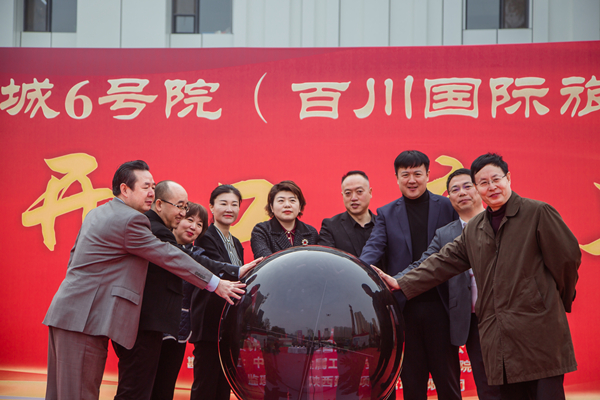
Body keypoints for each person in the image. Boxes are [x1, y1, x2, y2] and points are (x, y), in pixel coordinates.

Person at [376, 153, 580, 400]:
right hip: (500, 338)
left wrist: (552, 302)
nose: (491, 187)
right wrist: (400, 282)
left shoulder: (537, 213)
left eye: (496, 179)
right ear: (478, 187)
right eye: (483, 182)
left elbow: (567, 259)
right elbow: (442, 261)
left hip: (539, 332)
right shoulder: (475, 228)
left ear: (508, 178)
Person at [43, 161, 246, 400]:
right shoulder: (131, 220)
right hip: (85, 319)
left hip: (70, 312)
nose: (152, 192)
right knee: (79, 394)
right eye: (146, 187)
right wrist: (216, 283)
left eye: (153, 186)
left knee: (61, 394)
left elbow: (74, 258)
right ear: (125, 189)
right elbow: (169, 256)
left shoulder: (98, 212)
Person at [360, 150, 460, 400]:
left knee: (448, 381)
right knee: (413, 384)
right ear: (397, 178)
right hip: (405, 310)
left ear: (428, 175)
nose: (412, 180)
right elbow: (374, 247)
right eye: (405, 175)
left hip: (441, 307)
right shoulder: (386, 213)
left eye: (417, 173)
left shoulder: (447, 206)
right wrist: (357, 268)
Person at [397, 168, 501, 400]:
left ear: (479, 189)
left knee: (515, 382)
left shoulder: (500, 221)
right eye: (454, 189)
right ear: (449, 198)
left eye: (467, 186)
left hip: (505, 314)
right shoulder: (445, 234)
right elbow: (426, 264)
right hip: (471, 318)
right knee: (486, 385)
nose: (461, 193)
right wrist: (396, 281)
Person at [189, 185, 246, 400]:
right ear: (211, 207)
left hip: (228, 324)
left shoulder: (237, 243)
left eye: (234, 204)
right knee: (205, 385)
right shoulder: (205, 236)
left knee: (223, 386)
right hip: (209, 322)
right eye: (223, 203)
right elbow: (214, 268)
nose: (229, 209)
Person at [319, 170, 385, 266]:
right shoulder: (330, 227)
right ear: (342, 195)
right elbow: (327, 262)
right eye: (348, 193)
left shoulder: (383, 224)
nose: (354, 198)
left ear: (370, 192)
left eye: (359, 192)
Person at [251, 180, 319, 258]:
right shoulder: (261, 231)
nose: (287, 205)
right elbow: (266, 260)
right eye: (281, 201)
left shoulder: (311, 232)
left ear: (300, 207)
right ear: (271, 207)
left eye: (292, 200)